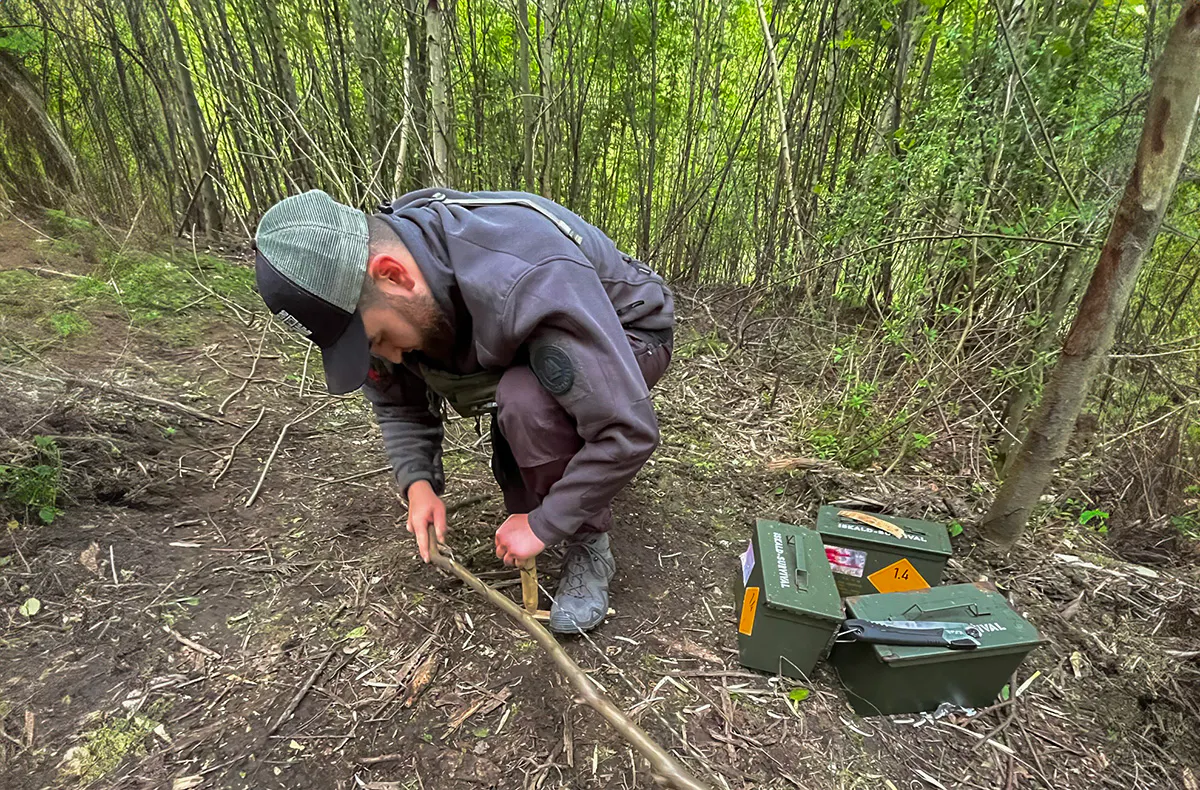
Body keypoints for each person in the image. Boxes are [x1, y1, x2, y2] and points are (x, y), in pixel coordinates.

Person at [252, 188, 674, 633]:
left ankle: (589, 544)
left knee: (526, 401)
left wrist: (545, 523)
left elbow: (627, 431)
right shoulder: (384, 291)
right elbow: (398, 404)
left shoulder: (523, 274)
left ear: (392, 275)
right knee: (518, 412)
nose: (389, 357)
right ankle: (563, 482)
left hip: (627, 330)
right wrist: (417, 483)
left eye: (375, 340)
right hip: (527, 337)